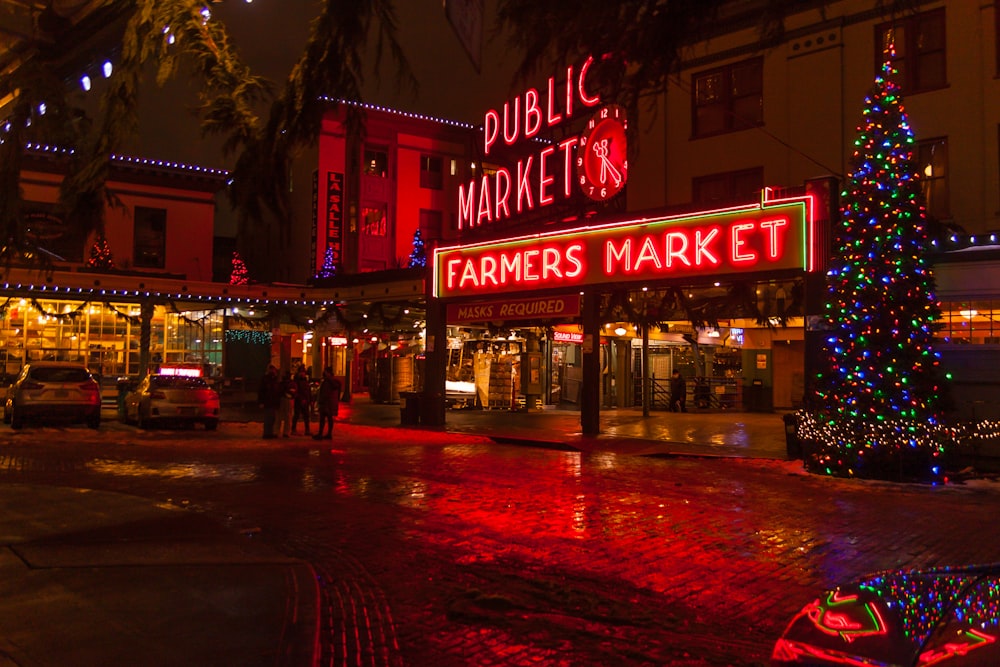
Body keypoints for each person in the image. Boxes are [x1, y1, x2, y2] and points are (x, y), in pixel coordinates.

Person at [313, 367, 342, 440]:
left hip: (326, 402)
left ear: (328, 373)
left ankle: (320, 433)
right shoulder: (335, 381)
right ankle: (329, 433)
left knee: (323, 418)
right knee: (329, 418)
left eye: (325, 372)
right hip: (331, 402)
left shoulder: (327, 381)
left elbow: (325, 392)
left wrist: (321, 400)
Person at [257, 364, 281, 439]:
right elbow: (261, 391)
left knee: (272, 418)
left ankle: (269, 433)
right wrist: (261, 401)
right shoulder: (266, 379)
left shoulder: (274, 379)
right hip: (268, 401)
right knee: (268, 418)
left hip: (272, 401)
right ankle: (267, 433)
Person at [291, 365, 313, 435]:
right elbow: (298, 391)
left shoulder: (305, 381)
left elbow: (308, 391)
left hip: (305, 400)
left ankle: (307, 430)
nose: (303, 374)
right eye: (302, 372)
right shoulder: (297, 381)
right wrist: (301, 399)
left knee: (306, 416)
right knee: (297, 415)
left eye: (304, 372)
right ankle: (293, 429)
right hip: (299, 400)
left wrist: (310, 400)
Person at [276, 370, 296, 438]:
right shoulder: (290, 383)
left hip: (286, 399)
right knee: (286, 416)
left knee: (283, 416)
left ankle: (280, 431)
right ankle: (284, 432)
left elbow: (293, 392)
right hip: (285, 399)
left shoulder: (285, 383)